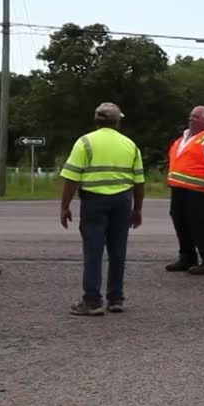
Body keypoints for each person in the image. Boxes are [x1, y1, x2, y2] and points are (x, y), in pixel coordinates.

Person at [59, 102, 145, 316]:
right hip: (122, 202)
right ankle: (116, 298)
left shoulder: (85, 142)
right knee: (118, 251)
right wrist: (138, 209)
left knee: (93, 251)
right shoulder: (130, 145)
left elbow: (71, 178)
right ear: (118, 121)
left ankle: (92, 301)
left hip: (94, 202)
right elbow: (139, 182)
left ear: (96, 120)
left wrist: (65, 206)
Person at [165, 105, 204, 275]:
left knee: (201, 225)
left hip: (201, 190)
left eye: (196, 116)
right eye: (191, 116)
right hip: (180, 189)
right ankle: (187, 257)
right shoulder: (184, 137)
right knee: (181, 222)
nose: (191, 118)